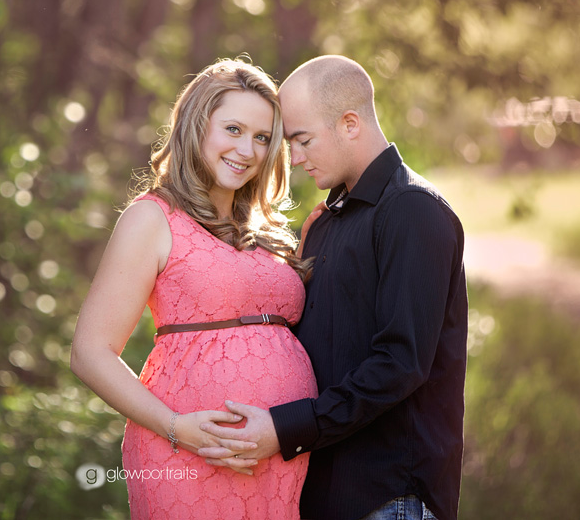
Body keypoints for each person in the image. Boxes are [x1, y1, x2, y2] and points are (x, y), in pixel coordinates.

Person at [198, 55, 469, 520]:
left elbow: (400, 364)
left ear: (349, 124)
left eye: (302, 141)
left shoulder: (412, 210)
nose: (294, 158)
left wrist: (285, 430)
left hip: (388, 498)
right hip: (322, 493)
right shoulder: (328, 221)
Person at [70, 59, 319, 519]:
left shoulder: (268, 233)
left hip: (281, 458)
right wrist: (176, 428)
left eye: (262, 137)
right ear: (196, 126)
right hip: (189, 454)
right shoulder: (152, 218)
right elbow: (90, 352)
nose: (247, 149)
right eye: (233, 129)